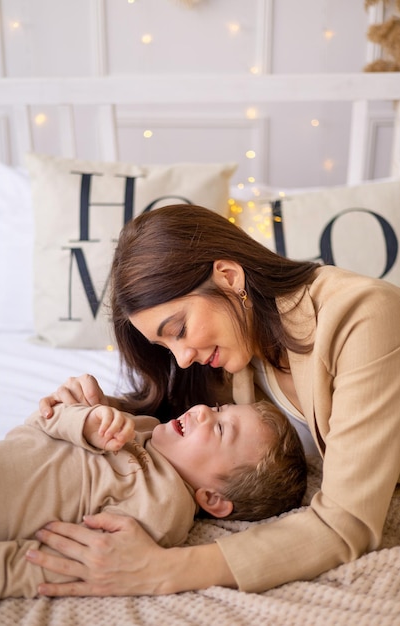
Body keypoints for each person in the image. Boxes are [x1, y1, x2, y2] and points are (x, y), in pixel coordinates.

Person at [27, 203, 400, 597]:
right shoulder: (241, 340)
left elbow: (347, 522)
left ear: (228, 276)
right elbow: (179, 422)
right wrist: (95, 409)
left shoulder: (363, 316)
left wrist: (164, 569)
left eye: (180, 329)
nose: (182, 358)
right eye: (165, 344)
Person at [0, 398, 306, 601]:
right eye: (220, 408)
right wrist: (86, 421)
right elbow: (39, 421)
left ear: (212, 499)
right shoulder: (143, 427)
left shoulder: (163, 508)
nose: (205, 411)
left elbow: (70, 561)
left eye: (221, 429)